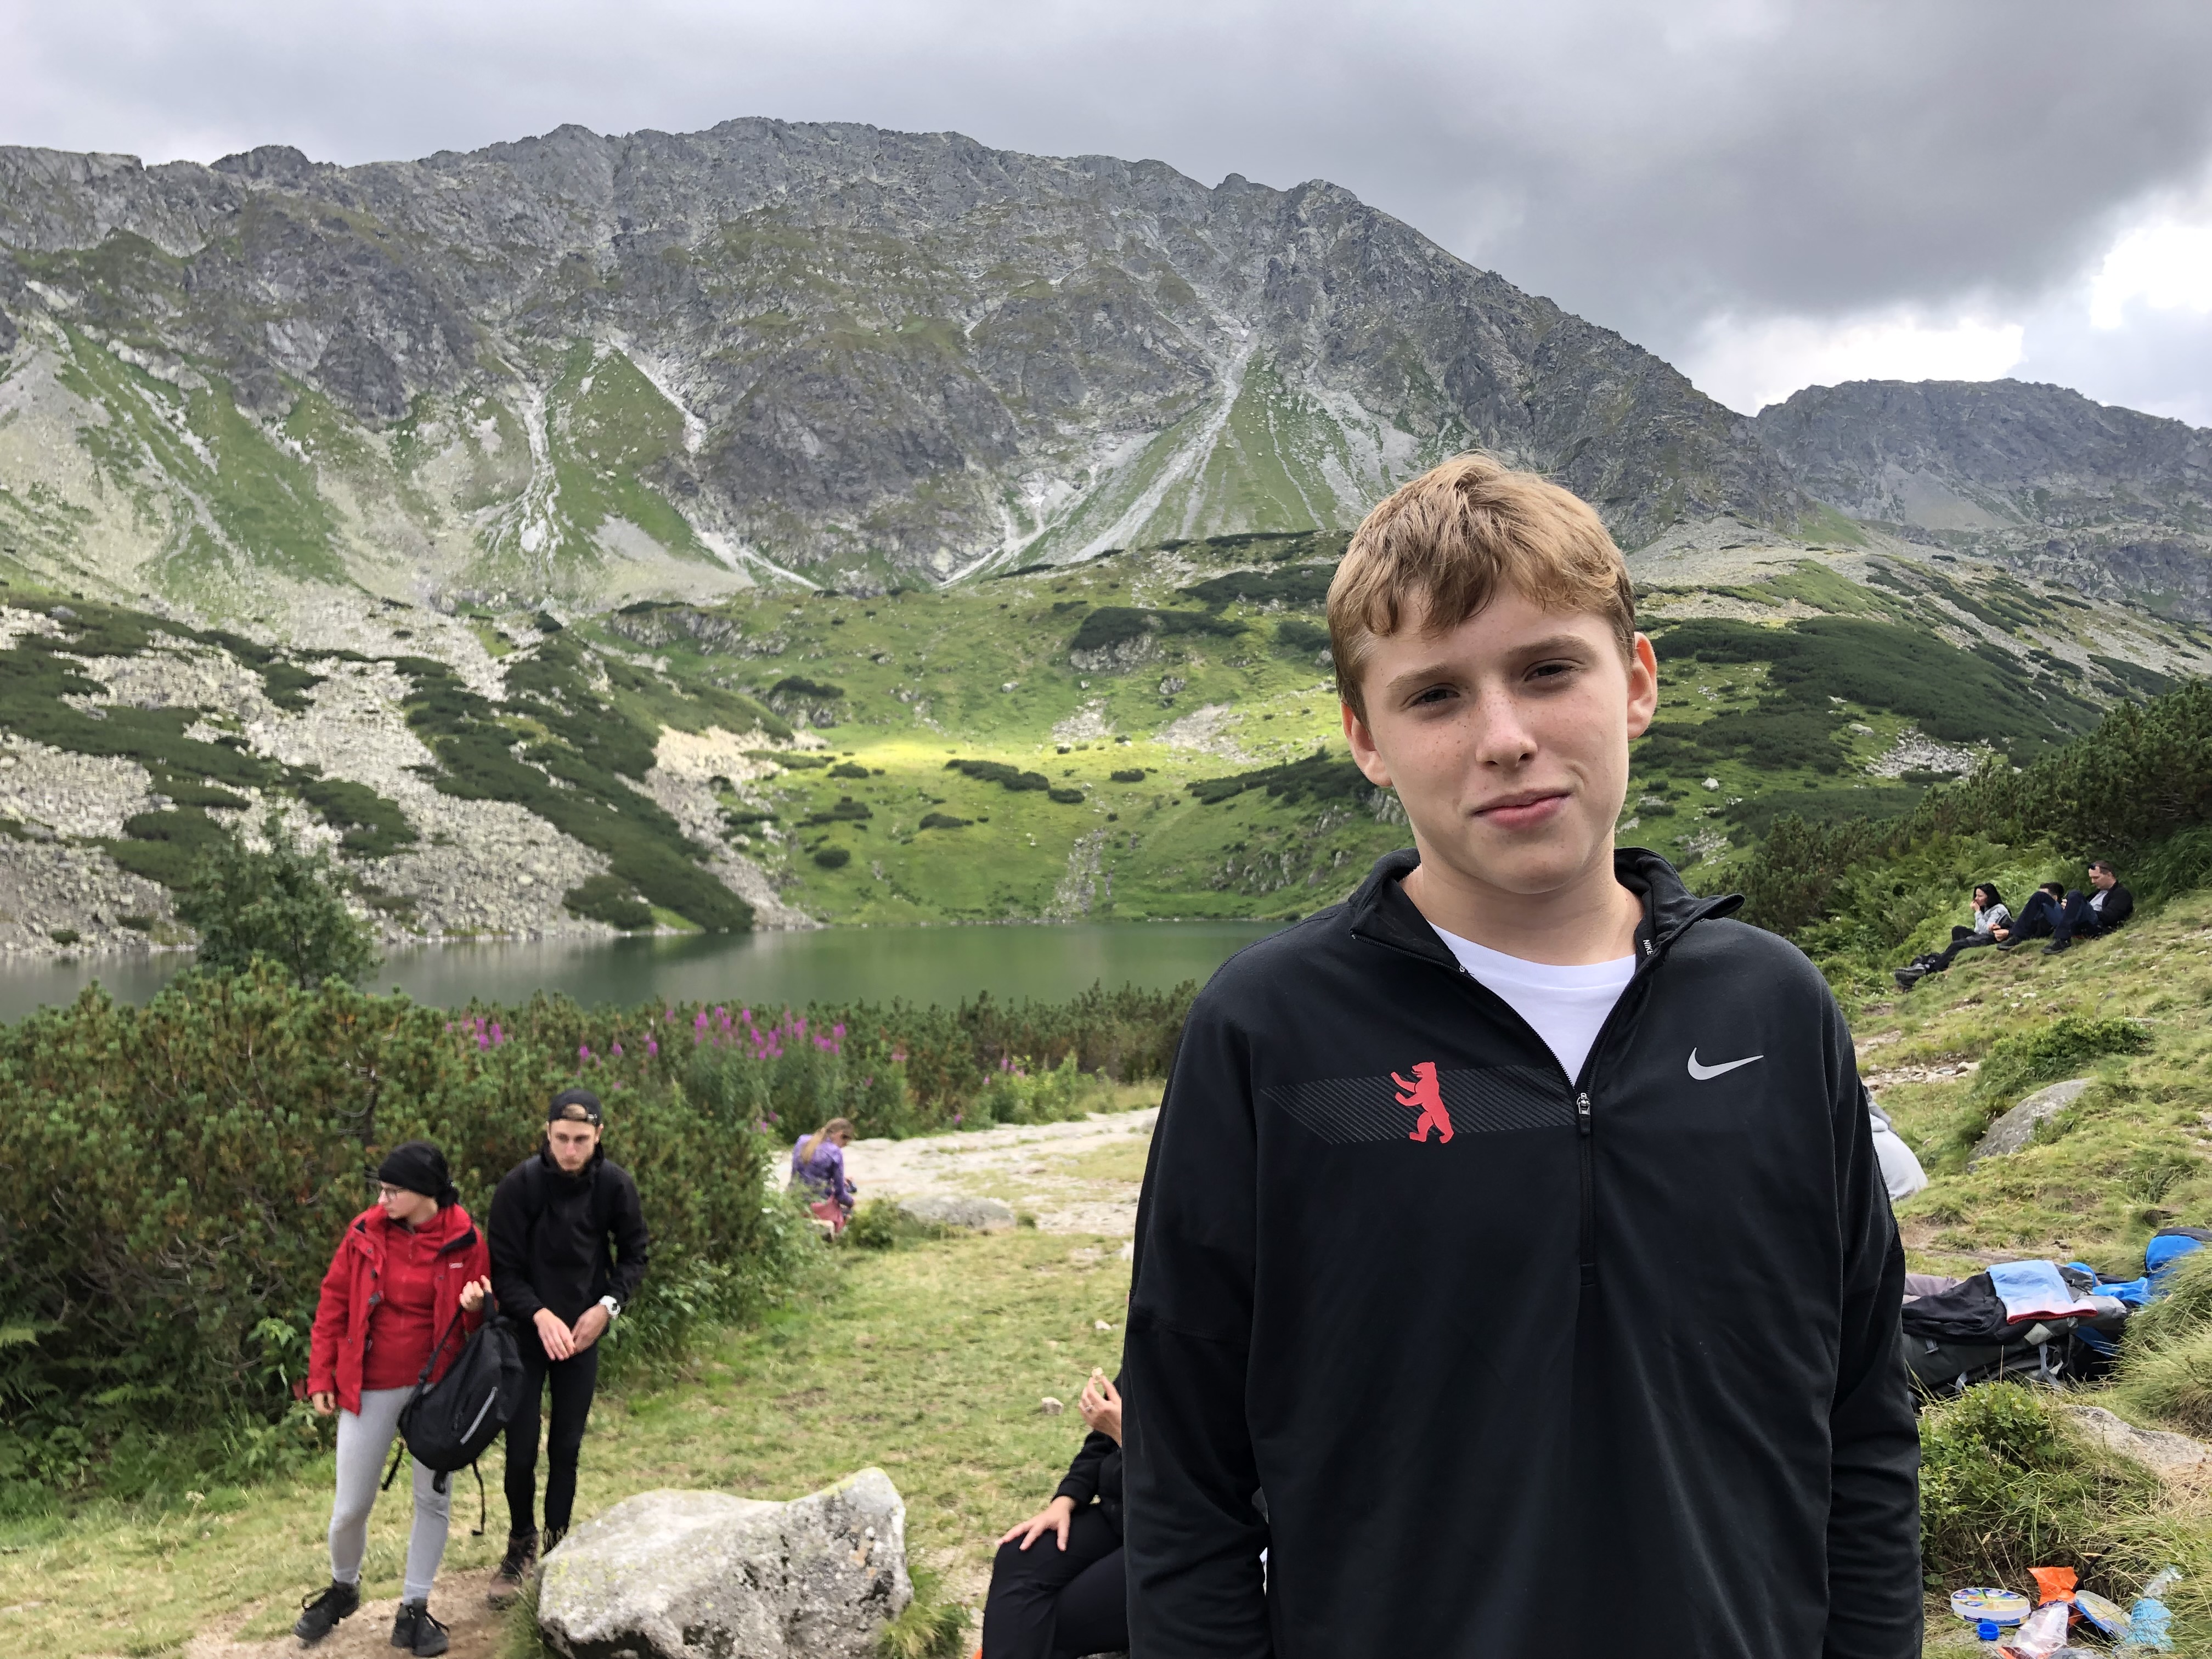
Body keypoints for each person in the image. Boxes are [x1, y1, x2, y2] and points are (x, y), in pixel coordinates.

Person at [1124, 454, 1920, 1658]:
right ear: (1366, 738)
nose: (1504, 737)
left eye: (1548, 670)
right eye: (1436, 695)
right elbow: (1184, 1475)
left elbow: (1862, 1420)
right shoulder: (1270, 1030)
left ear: (1636, 681)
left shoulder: (1774, 1010)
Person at [295, 1142, 493, 1657]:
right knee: (350, 1508)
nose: (382, 1199)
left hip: (438, 1388)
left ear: (425, 1193)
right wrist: (321, 1376)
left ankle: (414, 1609)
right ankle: (343, 1588)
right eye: (381, 1190)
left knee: (433, 1500)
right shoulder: (364, 1231)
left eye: (392, 1191)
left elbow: (481, 1328)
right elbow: (334, 1302)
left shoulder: (467, 1239)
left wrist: (478, 1306)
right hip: (370, 1384)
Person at [486, 1088, 651, 1606]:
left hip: (582, 1332)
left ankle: (558, 1549)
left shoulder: (614, 1185)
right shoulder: (520, 1186)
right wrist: (538, 1314)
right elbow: (504, 1270)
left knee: (566, 1447)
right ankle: (520, 1544)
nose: (570, 1150)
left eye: (581, 1139)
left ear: (598, 1135)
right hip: (525, 1332)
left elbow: (635, 1254)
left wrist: (607, 1308)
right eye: (561, 1138)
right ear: (548, 1133)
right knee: (520, 1450)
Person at [980, 1371, 1127, 1659]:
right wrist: (1065, 1499)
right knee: (1019, 1554)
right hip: (1121, 1514)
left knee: (1048, 1618)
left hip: (1181, 1532)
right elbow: (1102, 1443)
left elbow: (1201, 1482)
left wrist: (1128, 1436)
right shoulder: (1148, 1348)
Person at [1893, 882, 2010, 989]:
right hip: (1981, 936)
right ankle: (1944, 958)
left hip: (1991, 939)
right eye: (1976, 895)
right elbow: (1978, 930)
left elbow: (1986, 931)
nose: (1976, 899)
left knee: (1957, 945)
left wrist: (1977, 912)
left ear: (1989, 897)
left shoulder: (1998, 910)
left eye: (1980, 896)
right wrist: (1980, 913)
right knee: (1957, 930)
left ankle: (1930, 968)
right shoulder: (1986, 908)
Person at [2040, 859, 2133, 955]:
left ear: (2109, 875)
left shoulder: (2121, 893)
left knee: (2075, 894)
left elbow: (2111, 917)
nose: (2093, 882)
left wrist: (2078, 909)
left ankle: (2062, 940)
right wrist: (2070, 908)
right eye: (2091, 878)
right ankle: (2030, 936)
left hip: (2094, 925)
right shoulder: (2096, 893)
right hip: (2077, 923)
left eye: (2096, 878)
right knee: (2041, 897)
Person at [789, 1116, 859, 1229]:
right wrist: (852, 1203)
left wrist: (840, 1179)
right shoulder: (835, 1152)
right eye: (844, 1144)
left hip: (794, 1199)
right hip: (817, 1206)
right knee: (847, 1206)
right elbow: (840, 1195)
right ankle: (834, 1235)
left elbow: (807, 1174)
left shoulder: (802, 1140)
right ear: (840, 1135)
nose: (841, 1147)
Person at [1993, 882, 2067, 947]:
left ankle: (2017, 937)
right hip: (2050, 924)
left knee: (2039, 897)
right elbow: (2025, 924)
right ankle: (2015, 936)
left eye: (2045, 896)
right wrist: (2005, 930)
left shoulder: (2056, 908)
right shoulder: (2042, 914)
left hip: (2065, 921)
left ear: (2055, 898)